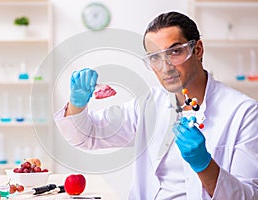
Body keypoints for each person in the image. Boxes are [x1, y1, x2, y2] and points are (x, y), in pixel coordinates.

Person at [54, 11, 258, 199]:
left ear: (197, 50)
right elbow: (87, 136)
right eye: (155, 58)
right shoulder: (149, 104)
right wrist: (76, 104)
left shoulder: (243, 112)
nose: (165, 67)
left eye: (175, 52)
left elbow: (248, 197)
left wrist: (204, 165)